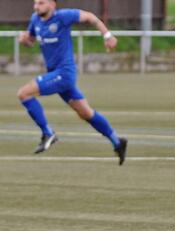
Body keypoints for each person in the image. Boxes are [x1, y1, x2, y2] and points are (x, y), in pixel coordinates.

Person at [17, 0, 127, 165]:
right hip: (56, 74)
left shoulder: (63, 16)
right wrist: (24, 40)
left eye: (41, 3)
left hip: (64, 73)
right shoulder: (35, 19)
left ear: (52, 5)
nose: (36, 6)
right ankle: (117, 142)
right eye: (35, 3)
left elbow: (91, 17)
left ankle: (48, 133)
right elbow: (31, 41)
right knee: (86, 113)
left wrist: (107, 35)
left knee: (24, 93)